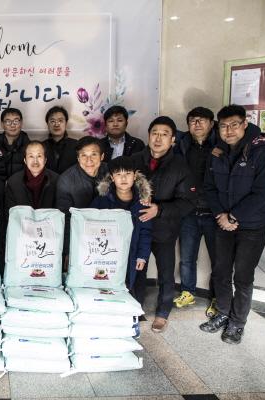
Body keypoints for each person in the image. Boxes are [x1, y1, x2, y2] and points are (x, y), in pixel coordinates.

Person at [200, 104, 265, 344]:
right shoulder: (216, 152)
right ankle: (223, 312)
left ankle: (237, 322)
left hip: (253, 225)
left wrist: (233, 217)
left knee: (243, 276)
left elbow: (262, 193)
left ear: (245, 124)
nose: (229, 130)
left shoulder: (261, 152)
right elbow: (209, 188)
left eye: (234, 125)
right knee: (221, 272)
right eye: (223, 126)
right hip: (223, 222)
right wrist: (221, 215)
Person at [131, 116, 196, 333]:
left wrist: (159, 209)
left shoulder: (180, 166)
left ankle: (162, 313)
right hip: (138, 227)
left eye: (164, 134)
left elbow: (188, 202)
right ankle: (135, 308)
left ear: (173, 139)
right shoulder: (134, 160)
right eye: (154, 133)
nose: (158, 138)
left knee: (166, 273)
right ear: (148, 136)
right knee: (136, 270)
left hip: (164, 229)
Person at [173, 107, 219, 314]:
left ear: (212, 124)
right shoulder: (182, 144)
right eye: (192, 120)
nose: (197, 124)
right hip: (189, 211)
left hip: (215, 212)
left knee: (218, 260)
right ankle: (187, 291)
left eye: (202, 120)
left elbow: (252, 131)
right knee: (187, 257)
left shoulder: (221, 143)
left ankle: (217, 297)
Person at [90, 156, 152, 305]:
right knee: (106, 284)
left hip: (132, 253)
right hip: (107, 253)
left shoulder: (142, 202)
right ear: (112, 178)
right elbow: (90, 227)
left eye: (128, 174)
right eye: (118, 174)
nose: (123, 178)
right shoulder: (102, 200)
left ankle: (133, 312)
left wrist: (142, 256)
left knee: (132, 284)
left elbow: (146, 232)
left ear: (134, 176)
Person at [56, 136, 108, 258]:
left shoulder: (110, 172)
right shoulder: (66, 180)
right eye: (84, 155)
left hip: (107, 234)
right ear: (78, 158)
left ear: (102, 156)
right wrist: (68, 251)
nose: (89, 160)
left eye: (94, 154)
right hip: (79, 237)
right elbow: (65, 218)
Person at [5, 140, 58, 211]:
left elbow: (59, 211)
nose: (35, 161)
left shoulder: (57, 180)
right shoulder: (13, 182)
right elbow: (10, 213)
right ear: (25, 160)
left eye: (39, 156)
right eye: (31, 156)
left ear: (45, 160)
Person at [0, 107, 30, 179]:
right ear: (2, 124)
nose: (12, 125)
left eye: (16, 121)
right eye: (8, 121)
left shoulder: (29, 147)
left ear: (21, 123)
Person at [43, 105, 79, 174]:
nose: (56, 124)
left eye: (60, 120)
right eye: (52, 121)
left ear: (66, 123)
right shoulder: (41, 147)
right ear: (47, 124)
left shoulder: (76, 145)